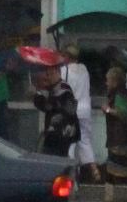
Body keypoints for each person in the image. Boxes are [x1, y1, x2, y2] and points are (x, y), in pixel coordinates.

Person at [60, 36, 98, 181]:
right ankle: (94, 170)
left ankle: (71, 176)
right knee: (85, 141)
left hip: (72, 110)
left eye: (63, 55)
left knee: (69, 144)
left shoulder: (64, 71)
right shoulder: (84, 69)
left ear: (67, 56)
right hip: (85, 110)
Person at [34, 64, 82, 159]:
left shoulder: (64, 89)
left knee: (57, 159)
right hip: (55, 134)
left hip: (62, 134)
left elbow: (50, 106)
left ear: (57, 73)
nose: (48, 77)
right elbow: (44, 105)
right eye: (47, 74)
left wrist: (40, 95)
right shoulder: (51, 89)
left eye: (50, 74)